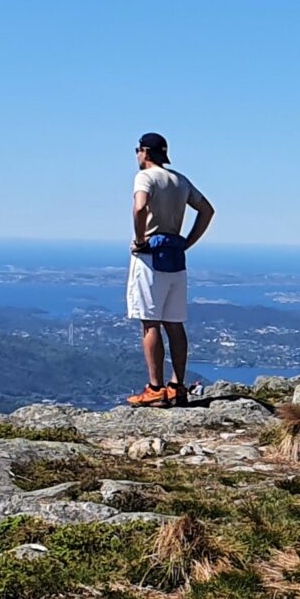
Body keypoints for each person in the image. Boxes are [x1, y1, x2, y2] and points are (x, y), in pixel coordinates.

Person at [125, 131, 215, 406]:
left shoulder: (145, 177)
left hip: (151, 257)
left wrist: (140, 240)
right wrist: (188, 242)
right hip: (176, 257)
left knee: (150, 323)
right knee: (174, 325)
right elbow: (207, 210)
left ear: (144, 152)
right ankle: (178, 386)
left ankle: (155, 389)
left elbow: (140, 208)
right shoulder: (180, 180)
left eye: (137, 150)